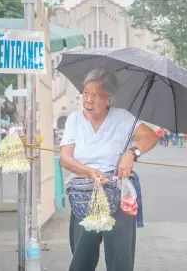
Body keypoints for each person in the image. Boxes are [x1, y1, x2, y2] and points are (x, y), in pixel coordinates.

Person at [60, 68, 159, 271]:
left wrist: (132, 153)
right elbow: (65, 159)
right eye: (85, 93)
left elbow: (151, 137)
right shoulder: (75, 120)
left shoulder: (122, 118)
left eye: (95, 95)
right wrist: (89, 172)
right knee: (81, 258)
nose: (88, 99)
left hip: (118, 192)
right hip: (85, 194)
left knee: (120, 259)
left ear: (109, 100)